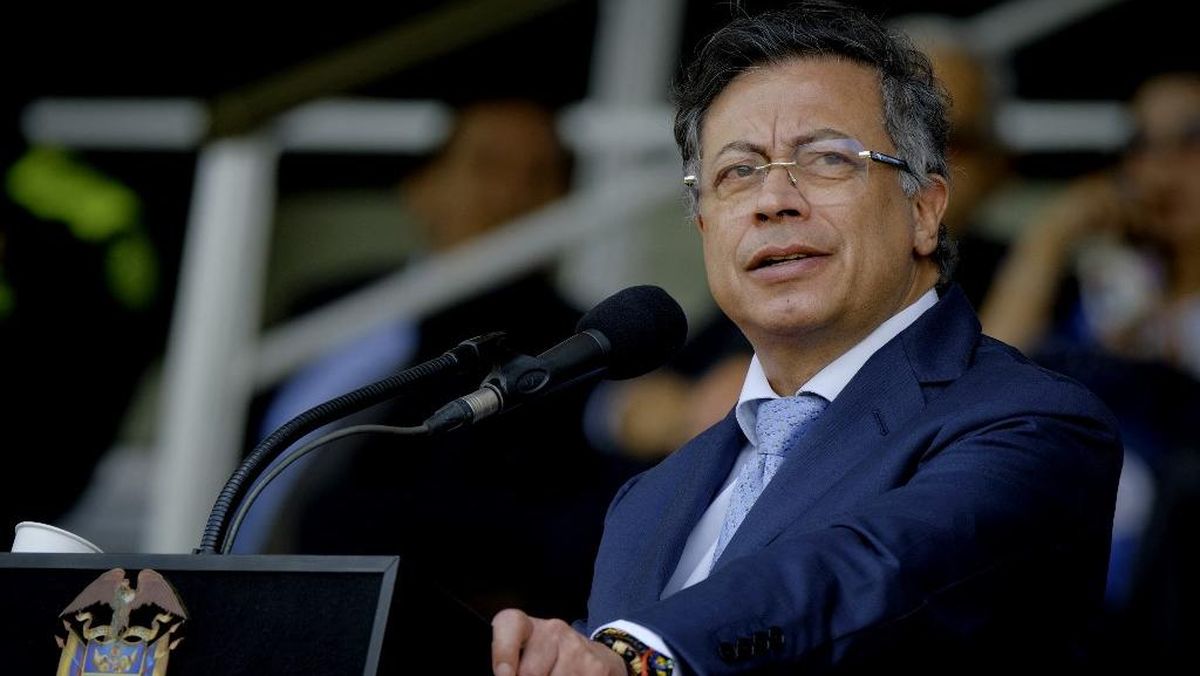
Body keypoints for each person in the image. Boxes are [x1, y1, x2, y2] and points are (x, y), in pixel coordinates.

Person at [490, 2, 1122, 674]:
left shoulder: (1033, 422)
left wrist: (642, 655)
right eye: (738, 172)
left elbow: (868, 570)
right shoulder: (648, 500)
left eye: (826, 159)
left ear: (924, 210)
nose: (773, 200)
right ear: (706, 228)